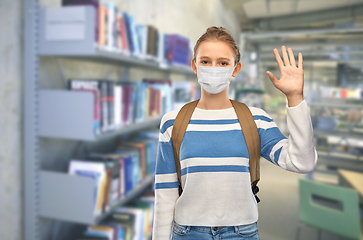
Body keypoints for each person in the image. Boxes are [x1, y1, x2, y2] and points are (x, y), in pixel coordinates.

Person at [152, 26, 318, 240]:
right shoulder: (173, 122)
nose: (214, 68)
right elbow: (165, 193)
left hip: (241, 234)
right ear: (194, 65)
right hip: (187, 233)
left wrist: (295, 97)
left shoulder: (255, 120)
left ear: (235, 69)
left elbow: (302, 162)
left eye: (223, 63)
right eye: (205, 61)